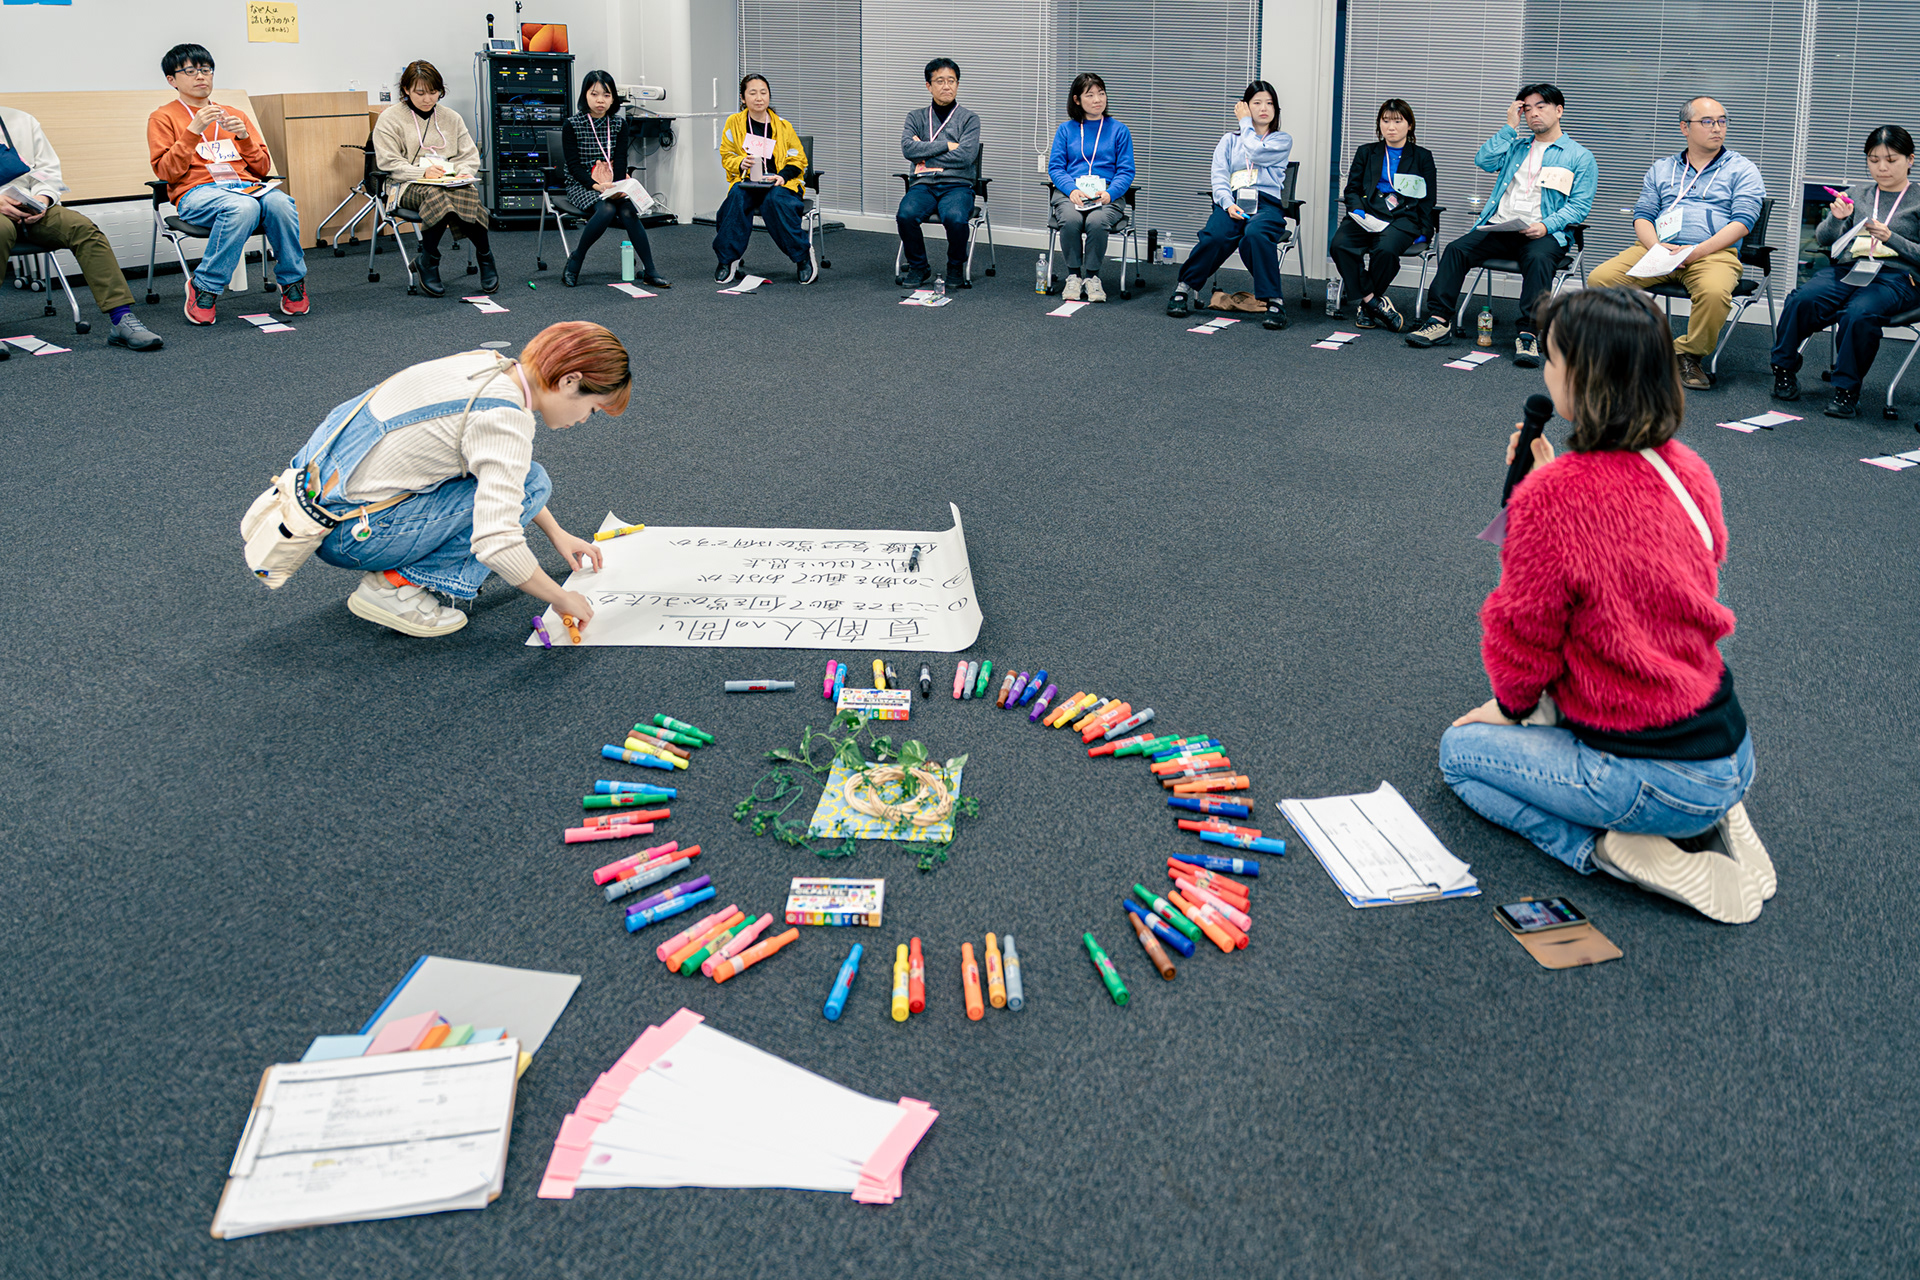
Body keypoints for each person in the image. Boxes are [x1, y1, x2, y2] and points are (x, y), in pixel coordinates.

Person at [1439, 287, 1773, 925]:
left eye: (1552, 359)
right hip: (1728, 747)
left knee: (1459, 757)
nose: (1545, 371)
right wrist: (1548, 480)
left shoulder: (1554, 498)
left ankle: (1610, 850)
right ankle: (1712, 817)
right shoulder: (1688, 470)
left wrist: (1505, 712)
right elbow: (1654, 570)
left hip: (1646, 773)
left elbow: (1523, 636)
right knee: (1565, 706)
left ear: (1585, 379)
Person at [295, 322, 630, 639]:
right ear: (570, 381)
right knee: (531, 483)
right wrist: (561, 598)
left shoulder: (486, 365)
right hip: (351, 535)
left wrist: (557, 533)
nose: (584, 420)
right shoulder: (505, 419)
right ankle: (394, 589)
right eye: (593, 409)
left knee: (529, 478)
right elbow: (496, 541)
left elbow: (505, 480)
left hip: (308, 499)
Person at [1404, 83, 1596, 367]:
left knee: (1539, 259)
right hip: (1502, 227)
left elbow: (1579, 206)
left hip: (1543, 233)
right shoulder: (1516, 146)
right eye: (1527, 109)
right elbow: (1483, 160)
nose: (1533, 113)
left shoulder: (1579, 156)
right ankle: (1439, 320)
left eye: (1541, 106)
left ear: (1559, 111)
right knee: (1457, 249)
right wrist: (1509, 127)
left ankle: (1528, 333)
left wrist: (1546, 226)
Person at [1585, 97, 1766, 391]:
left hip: (1712, 253)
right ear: (1685, 128)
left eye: (1722, 121)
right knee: (1600, 280)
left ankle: (1687, 354)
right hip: (1659, 249)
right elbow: (1643, 215)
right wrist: (1656, 247)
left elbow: (1743, 222)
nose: (1717, 128)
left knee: (1713, 292)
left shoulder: (1742, 169)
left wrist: (1696, 252)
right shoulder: (1662, 168)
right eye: (1707, 121)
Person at [146, 43, 309, 325]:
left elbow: (262, 168)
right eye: (190, 71)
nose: (201, 76)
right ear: (172, 80)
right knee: (243, 207)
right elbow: (167, 172)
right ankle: (204, 286)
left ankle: (292, 280)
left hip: (244, 187)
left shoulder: (233, 114)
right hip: (197, 193)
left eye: (206, 69)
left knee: (281, 202)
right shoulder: (163, 117)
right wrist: (193, 131)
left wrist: (244, 137)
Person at [1769, 125, 1920, 418]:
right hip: (1852, 268)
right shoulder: (1857, 194)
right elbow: (1824, 239)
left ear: (1910, 160)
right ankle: (1783, 368)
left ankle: (1846, 389)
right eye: (1874, 160)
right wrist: (1837, 219)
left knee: (1859, 313)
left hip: (1898, 276)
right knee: (1803, 299)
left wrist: (1891, 238)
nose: (1882, 167)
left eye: (1891, 160)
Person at [0, 104, 163, 351]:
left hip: (31, 205)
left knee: (83, 229)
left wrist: (42, 199)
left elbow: (47, 171)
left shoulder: (21, 120)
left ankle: (121, 319)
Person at [1165, 82, 1296, 330]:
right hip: (1233, 202)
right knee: (1215, 236)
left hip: (1266, 204)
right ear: (1246, 106)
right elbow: (1219, 177)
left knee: (1255, 234)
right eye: (1257, 103)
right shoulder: (1229, 140)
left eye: (1269, 103)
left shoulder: (1281, 140)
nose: (1264, 108)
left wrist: (1245, 122)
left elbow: (1256, 152)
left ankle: (1274, 300)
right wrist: (1227, 204)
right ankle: (1184, 287)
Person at [373, 60, 496, 297]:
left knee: (464, 190)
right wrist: (422, 173)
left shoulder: (451, 117)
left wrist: (464, 172)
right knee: (439, 193)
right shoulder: (390, 118)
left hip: (448, 181)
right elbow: (389, 162)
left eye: (433, 92)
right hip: (404, 185)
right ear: (406, 90)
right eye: (420, 93)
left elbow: (468, 155)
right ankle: (435, 258)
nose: (428, 99)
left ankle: (474, 256)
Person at [1327, 98, 1437, 332]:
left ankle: (1367, 307)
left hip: (1402, 217)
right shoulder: (1367, 152)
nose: (1391, 127)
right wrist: (1357, 209)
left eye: (1398, 121)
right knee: (1339, 245)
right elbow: (1352, 189)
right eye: (1385, 121)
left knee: (1385, 251)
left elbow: (1428, 199)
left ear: (1409, 125)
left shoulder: (1422, 157)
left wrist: (1425, 231)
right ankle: (1373, 302)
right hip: (1367, 213)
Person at [561, 70, 669, 289]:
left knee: (628, 211)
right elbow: (573, 167)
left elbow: (620, 161)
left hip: (611, 183)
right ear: (585, 95)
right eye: (594, 94)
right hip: (582, 184)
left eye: (607, 95)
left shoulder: (619, 124)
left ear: (613, 99)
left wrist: (619, 187)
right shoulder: (572, 124)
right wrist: (596, 186)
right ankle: (576, 259)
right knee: (607, 210)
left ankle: (650, 271)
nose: (600, 100)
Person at [713, 75, 816, 285]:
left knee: (775, 201)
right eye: (752, 93)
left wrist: (782, 176)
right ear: (743, 98)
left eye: (763, 92)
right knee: (736, 197)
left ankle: (802, 257)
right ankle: (728, 259)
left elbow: (798, 158)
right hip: (749, 182)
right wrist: (740, 162)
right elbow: (727, 154)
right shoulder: (734, 123)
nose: (759, 98)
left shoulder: (783, 126)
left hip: (780, 184)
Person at [1046, 73, 1134, 302]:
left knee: (1096, 221)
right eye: (1090, 95)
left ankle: (1093, 277)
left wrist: (1110, 193)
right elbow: (1056, 168)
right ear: (1077, 100)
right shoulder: (1066, 130)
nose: (1097, 100)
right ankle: (1074, 276)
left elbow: (1126, 171)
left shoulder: (1119, 130)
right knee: (1071, 219)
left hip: (1106, 193)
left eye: (1101, 93)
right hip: (1071, 192)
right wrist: (1071, 190)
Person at [896, 58, 981, 288]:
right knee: (905, 215)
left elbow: (966, 156)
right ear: (929, 85)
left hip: (957, 185)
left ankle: (955, 266)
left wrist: (924, 154)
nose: (946, 86)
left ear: (957, 84)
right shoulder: (915, 117)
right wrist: (947, 145)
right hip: (923, 184)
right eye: (940, 81)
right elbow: (908, 149)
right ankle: (918, 266)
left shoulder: (969, 119)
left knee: (955, 217)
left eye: (951, 81)